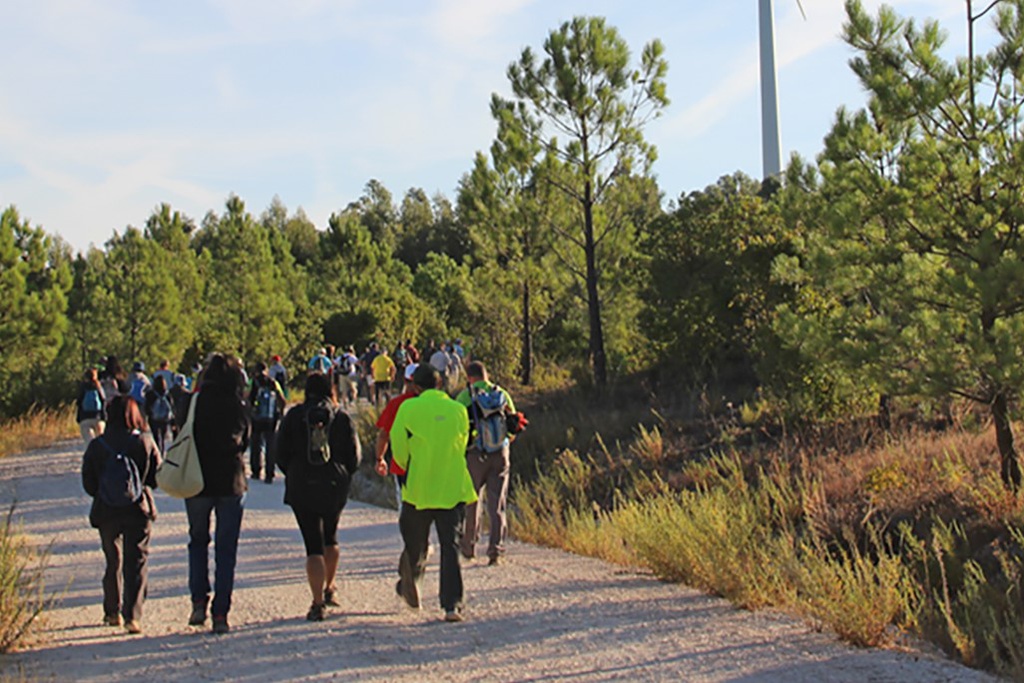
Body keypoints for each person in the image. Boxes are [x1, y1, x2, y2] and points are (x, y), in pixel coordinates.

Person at [390, 364, 476, 623]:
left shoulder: (408, 408)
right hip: (452, 486)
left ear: (415, 386)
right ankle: (452, 604)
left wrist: (407, 466)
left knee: (415, 542)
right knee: (451, 546)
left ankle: (411, 580)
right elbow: (464, 442)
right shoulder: (458, 409)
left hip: (419, 488)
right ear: (440, 384)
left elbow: (398, 446)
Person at [273, 372, 361, 621]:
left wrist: (293, 472)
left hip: (301, 483)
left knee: (312, 545)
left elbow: (280, 454)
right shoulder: (341, 417)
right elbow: (354, 457)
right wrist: (344, 474)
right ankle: (330, 587)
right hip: (334, 484)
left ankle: (317, 602)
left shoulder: (293, 416)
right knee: (330, 536)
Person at [81, 395, 160, 635]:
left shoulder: (97, 445)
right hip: (138, 508)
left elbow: (88, 483)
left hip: (106, 510)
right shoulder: (144, 441)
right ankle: (132, 616)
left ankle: (111, 611)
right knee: (136, 561)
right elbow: (156, 477)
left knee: (112, 560)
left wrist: (105, 492)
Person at [186, 353, 250, 634]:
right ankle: (221, 612)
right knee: (226, 549)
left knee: (198, 541)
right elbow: (245, 441)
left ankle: (198, 600)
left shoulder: (194, 402)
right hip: (230, 481)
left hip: (197, 480)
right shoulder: (237, 405)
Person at [455, 361, 517, 566]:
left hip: (475, 454)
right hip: (500, 454)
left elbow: (458, 428)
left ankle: (469, 547)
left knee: (472, 501)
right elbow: (514, 426)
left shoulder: (465, 397)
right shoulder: (501, 394)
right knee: (497, 503)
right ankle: (495, 551)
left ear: (470, 377)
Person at [374, 363, 421, 507]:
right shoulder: (441, 404)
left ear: (405, 381)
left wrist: (380, 458)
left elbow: (384, 435)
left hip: (403, 465)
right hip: (434, 464)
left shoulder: (397, 404)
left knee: (407, 507)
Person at [248, 362, 286, 483]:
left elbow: (247, 397)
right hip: (271, 418)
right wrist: (281, 413)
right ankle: (269, 473)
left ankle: (256, 471)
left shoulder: (253, 382)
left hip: (256, 418)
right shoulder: (273, 382)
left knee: (256, 444)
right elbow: (282, 399)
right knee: (270, 445)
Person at [143, 374, 175, 456]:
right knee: (163, 436)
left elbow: (146, 406)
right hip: (165, 419)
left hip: (153, 418)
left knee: (155, 436)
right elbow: (171, 406)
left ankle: (157, 451)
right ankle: (162, 451)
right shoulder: (167, 394)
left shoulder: (150, 394)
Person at [76, 367, 106, 445]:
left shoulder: (83, 386)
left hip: (85, 418)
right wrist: (104, 416)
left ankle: (92, 451)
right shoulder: (98, 386)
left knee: (89, 442)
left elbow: (79, 402)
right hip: (98, 417)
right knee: (101, 442)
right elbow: (103, 400)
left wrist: (78, 417)